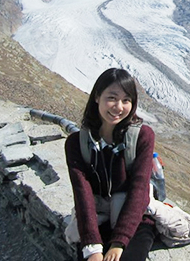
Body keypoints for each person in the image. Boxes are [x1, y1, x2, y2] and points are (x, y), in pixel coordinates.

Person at [65, 68, 156, 261]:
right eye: (112, 98)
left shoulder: (142, 136)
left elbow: (139, 190)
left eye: (126, 100)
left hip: (133, 220)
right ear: (97, 97)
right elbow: (82, 193)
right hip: (97, 218)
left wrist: (119, 242)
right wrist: (92, 246)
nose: (119, 107)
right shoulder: (76, 143)